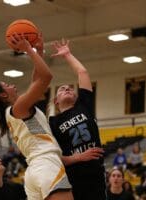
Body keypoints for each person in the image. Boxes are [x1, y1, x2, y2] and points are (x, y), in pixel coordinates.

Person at [0, 33, 73, 200]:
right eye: (7, 85)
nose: (12, 85)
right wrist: (28, 49)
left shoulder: (14, 112)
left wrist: (39, 50)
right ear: (3, 96)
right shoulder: (18, 108)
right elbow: (46, 77)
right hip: (47, 165)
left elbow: (36, 80)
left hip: (34, 171)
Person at [49, 39, 106, 200]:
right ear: (55, 101)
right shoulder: (52, 123)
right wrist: (79, 157)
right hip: (72, 179)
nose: (67, 88)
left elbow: (83, 73)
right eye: (62, 89)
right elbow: (52, 158)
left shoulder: (84, 106)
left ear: (76, 96)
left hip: (96, 176)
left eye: (70, 88)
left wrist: (67, 55)